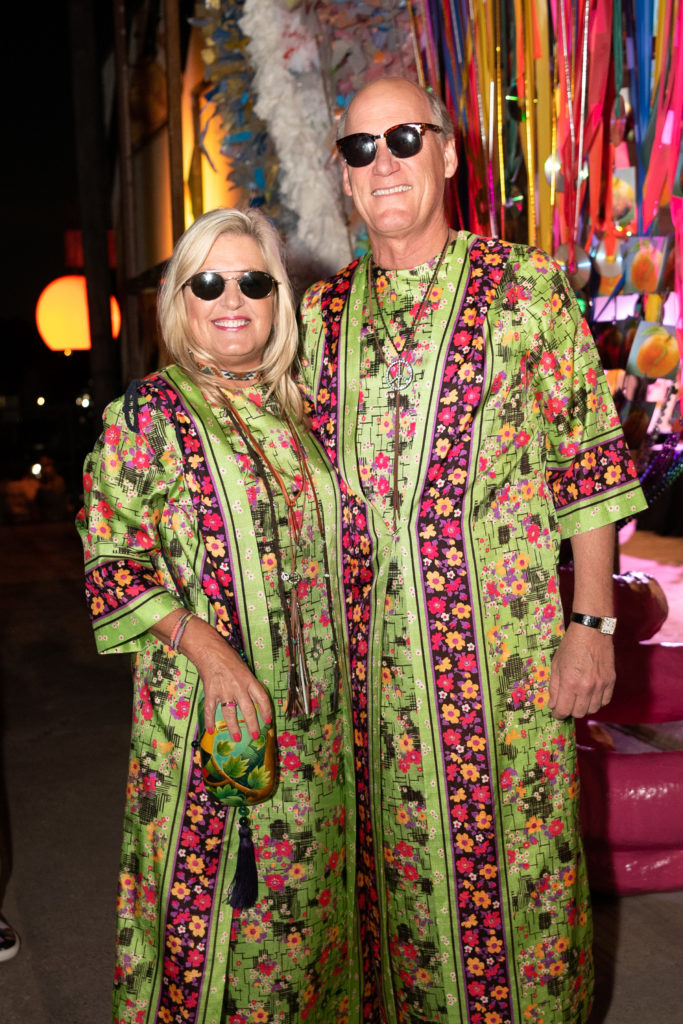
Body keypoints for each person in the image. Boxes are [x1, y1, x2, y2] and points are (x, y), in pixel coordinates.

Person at [299, 78, 647, 1024]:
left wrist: (589, 626)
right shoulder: (320, 322)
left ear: (448, 153)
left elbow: (588, 474)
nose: (384, 163)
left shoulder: (525, 289)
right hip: (367, 697)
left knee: (523, 902)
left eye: (403, 138)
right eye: (360, 148)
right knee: (389, 909)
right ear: (343, 176)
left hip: (507, 676)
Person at [78, 208, 358, 1023]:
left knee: (310, 934)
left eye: (252, 281)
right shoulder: (149, 416)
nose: (230, 298)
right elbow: (112, 559)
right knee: (222, 932)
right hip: (209, 726)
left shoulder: (304, 418)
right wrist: (209, 650)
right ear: (180, 301)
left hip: (320, 736)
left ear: (278, 302)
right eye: (208, 281)